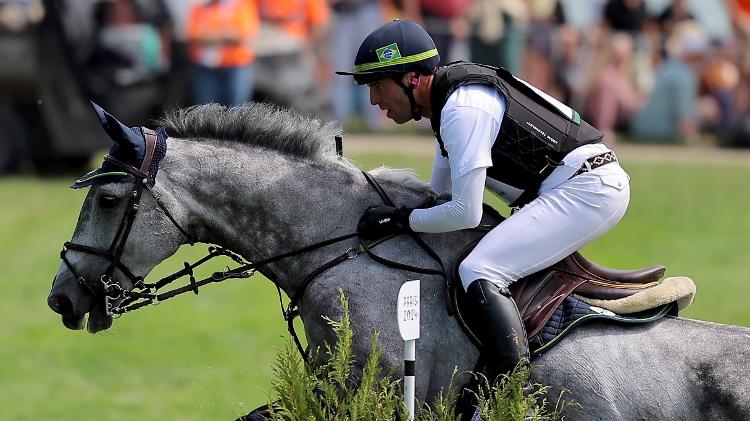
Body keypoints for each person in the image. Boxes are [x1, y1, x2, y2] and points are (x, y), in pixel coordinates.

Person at [337, 19, 630, 383]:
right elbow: (437, 196)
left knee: (479, 269)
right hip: (579, 183)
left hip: (587, 190)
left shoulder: (462, 110)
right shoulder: (447, 105)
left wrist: (399, 219)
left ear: (412, 79)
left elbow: (464, 212)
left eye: (378, 86)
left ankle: (509, 390)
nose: (374, 100)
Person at [186, 0, 259, 107]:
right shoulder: (199, 6)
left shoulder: (242, 4)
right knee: (205, 111)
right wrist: (225, 34)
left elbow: (243, 35)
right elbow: (194, 35)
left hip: (236, 66)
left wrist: (209, 35)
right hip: (205, 68)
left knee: (236, 111)